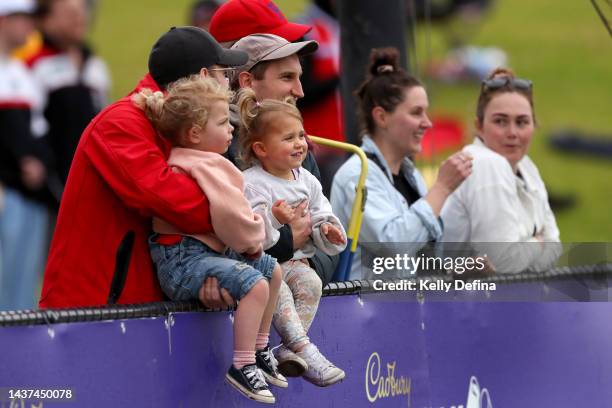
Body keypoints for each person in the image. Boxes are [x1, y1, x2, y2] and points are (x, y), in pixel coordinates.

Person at [39, 27, 248, 309]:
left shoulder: (183, 124)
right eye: (224, 73)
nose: (228, 83)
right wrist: (245, 222)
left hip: (136, 303)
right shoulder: (121, 122)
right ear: (203, 76)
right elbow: (173, 200)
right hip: (94, 306)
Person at [134, 76, 285, 404]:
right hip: (183, 260)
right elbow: (233, 218)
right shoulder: (203, 166)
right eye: (222, 122)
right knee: (256, 283)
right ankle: (242, 364)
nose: (231, 128)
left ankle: (260, 347)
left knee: (273, 271)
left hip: (201, 254)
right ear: (195, 134)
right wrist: (253, 238)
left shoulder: (202, 161)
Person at [331, 47, 472, 280]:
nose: (427, 123)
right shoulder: (357, 175)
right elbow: (393, 246)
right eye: (416, 113)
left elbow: (420, 258)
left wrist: (460, 270)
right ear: (382, 117)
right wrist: (442, 188)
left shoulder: (410, 175)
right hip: (368, 312)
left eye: (426, 113)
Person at [238, 88, 347, 387]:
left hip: (296, 261)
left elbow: (321, 211)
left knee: (311, 282)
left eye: (300, 135)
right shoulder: (252, 183)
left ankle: (290, 347)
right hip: (262, 264)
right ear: (261, 149)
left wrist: (327, 229)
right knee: (280, 290)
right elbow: (253, 234)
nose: (299, 144)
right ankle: (304, 348)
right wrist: (277, 220)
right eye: (288, 138)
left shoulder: (307, 179)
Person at [441, 68, 561, 273]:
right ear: (479, 126)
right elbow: (502, 264)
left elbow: (555, 248)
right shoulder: (484, 164)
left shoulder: (527, 166)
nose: (512, 133)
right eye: (500, 121)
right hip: (464, 299)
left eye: (522, 122)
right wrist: (537, 243)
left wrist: (528, 253)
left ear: (534, 125)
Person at [0, 0, 52, 310]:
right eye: (21, 17)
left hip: (29, 196)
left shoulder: (22, 72)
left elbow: (35, 133)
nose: (30, 25)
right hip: (7, 191)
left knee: (22, 289)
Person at [27, 0, 111, 185]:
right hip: (50, 181)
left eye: (82, 11)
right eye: (68, 12)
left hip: (92, 177)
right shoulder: (35, 65)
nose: (79, 18)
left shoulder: (96, 65)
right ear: (44, 19)